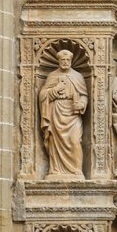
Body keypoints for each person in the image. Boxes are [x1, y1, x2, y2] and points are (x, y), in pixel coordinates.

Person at [39, 50, 87, 179]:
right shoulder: (52, 76)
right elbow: (42, 95)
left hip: (72, 113)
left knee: (75, 140)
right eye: (62, 60)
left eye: (67, 60)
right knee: (55, 141)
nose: (65, 62)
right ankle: (55, 170)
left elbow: (84, 95)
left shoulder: (78, 76)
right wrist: (56, 89)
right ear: (58, 61)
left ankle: (77, 169)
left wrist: (81, 104)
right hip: (56, 111)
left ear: (71, 61)